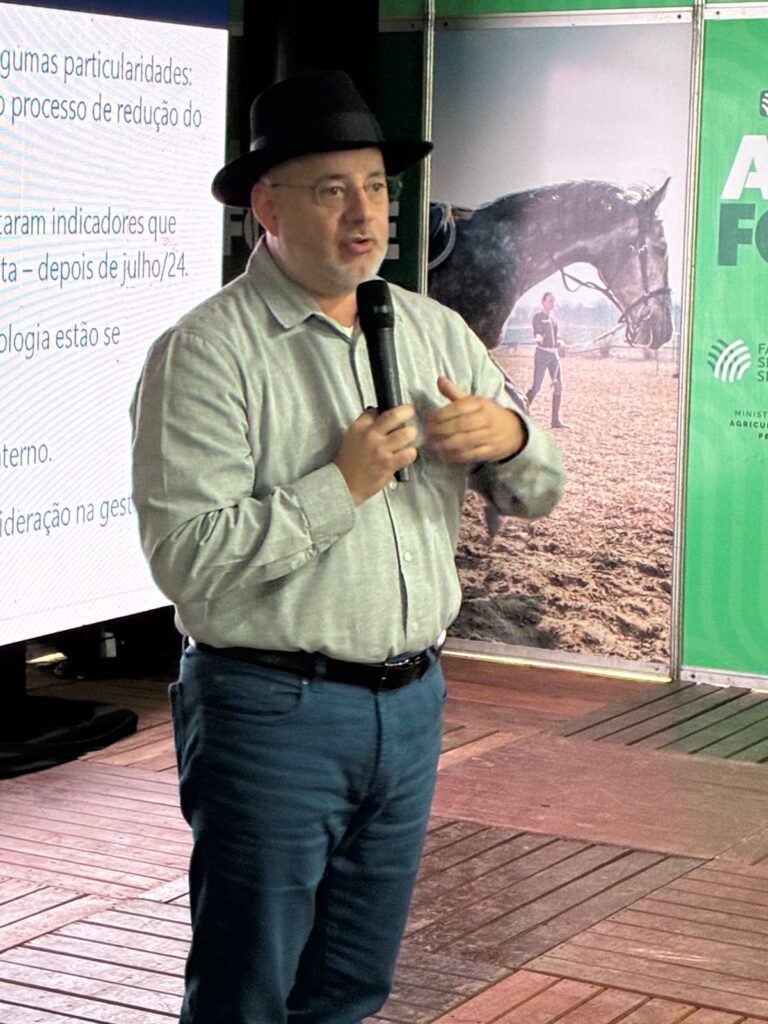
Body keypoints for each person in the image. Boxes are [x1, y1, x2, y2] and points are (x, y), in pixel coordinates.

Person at [130, 70, 565, 1024]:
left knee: (351, 989)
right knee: (248, 991)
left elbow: (540, 491)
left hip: (412, 707)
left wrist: (512, 440)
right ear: (267, 208)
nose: (366, 215)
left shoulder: (433, 328)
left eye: (375, 186)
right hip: (269, 711)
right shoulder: (205, 353)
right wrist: (341, 485)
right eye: (333, 190)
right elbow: (186, 558)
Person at [526, 291, 567, 428]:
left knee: (558, 386)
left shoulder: (554, 319)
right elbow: (537, 332)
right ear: (543, 302)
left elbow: (557, 337)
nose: (552, 303)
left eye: (553, 301)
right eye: (549, 301)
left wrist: (560, 343)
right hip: (542, 355)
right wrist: (538, 337)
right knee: (536, 387)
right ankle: (521, 411)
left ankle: (555, 420)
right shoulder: (538, 317)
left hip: (554, 356)